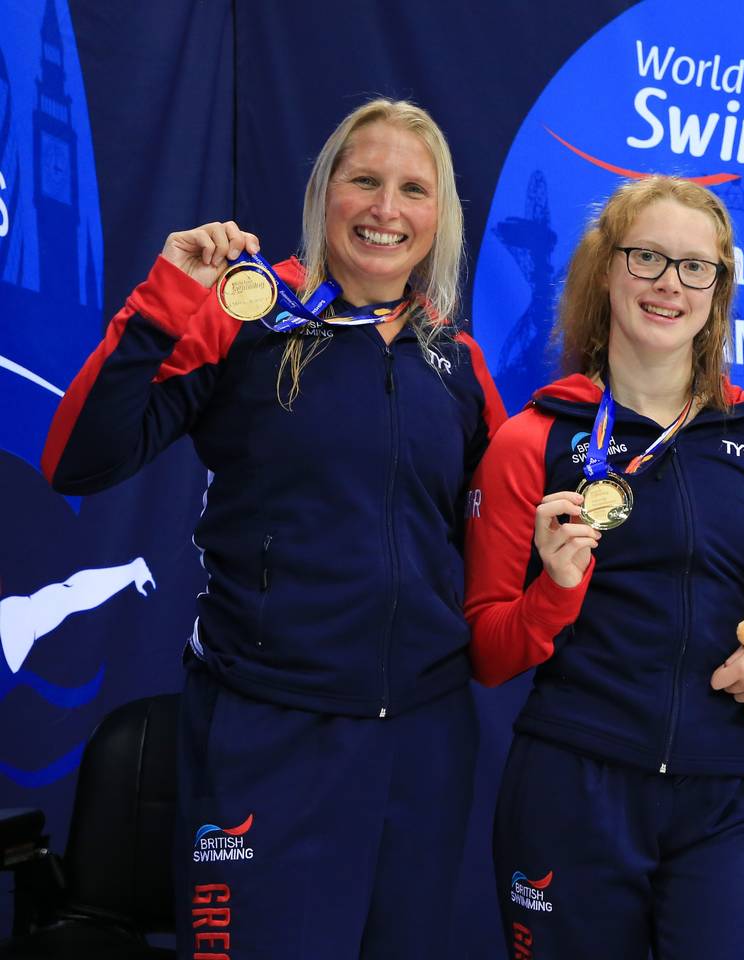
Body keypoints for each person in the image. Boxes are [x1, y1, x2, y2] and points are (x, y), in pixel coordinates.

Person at [43, 98, 505, 958]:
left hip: (425, 738)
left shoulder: (459, 362)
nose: (385, 210)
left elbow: (495, 551)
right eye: (363, 180)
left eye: (413, 189)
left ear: (440, 218)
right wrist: (164, 297)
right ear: (323, 191)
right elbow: (80, 461)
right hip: (271, 730)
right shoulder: (244, 316)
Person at [465, 174, 744, 960]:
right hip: (575, 787)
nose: (670, 284)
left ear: (719, 289)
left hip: (735, 793)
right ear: (606, 270)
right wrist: (554, 595)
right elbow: (489, 651)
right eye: (646, 258)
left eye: (695, 266)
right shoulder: (531, 442)